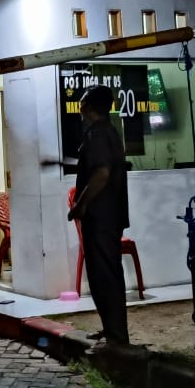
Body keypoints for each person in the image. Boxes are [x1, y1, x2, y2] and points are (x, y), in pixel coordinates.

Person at [67, 85, 131, 347]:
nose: (79, 107)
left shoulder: (97, 134)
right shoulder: (108, 132)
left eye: (82, 102)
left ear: (90, 106)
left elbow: (102, 173)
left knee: (104, 275)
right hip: (110, 216)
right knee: (106, 274)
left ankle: (117, 335)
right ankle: (112, 330)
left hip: (101, 217)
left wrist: (80, 205)